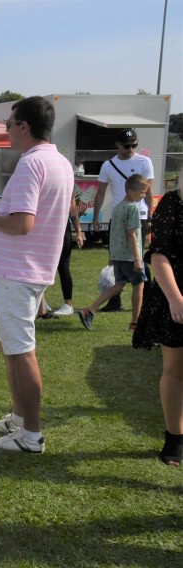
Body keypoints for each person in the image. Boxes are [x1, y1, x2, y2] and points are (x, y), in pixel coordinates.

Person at [0, 96, 73, 453]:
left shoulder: (30, 165)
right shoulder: (58, 162)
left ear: (24, 127)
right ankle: (19, 418)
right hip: (30, 270)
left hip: (18, 272)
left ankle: (31, 434)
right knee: (12, 348)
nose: (6, 130)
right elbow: (30, 215)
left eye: (9, 124)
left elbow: (23, 223)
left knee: (21, 351)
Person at [132, 175, 183, 466]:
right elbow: (159, 254)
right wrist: (175, 298)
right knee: (175, 370)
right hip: (175, 292)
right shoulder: (172, 204)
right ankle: (175, 436)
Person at [93, 128, 155, 312]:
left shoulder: (145, 161)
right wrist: (96, 216)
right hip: (118, 216)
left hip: (139, 215)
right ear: (117, 145)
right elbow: (101, 192)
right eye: (126, 145)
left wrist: (150, 216)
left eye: (134, 145)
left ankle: (148, 298)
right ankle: (115, 301)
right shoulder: (108, 165)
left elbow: (148, 192)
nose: (130, 149)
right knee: (116, 257)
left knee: (138, 257)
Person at [78, 175, 149, 331]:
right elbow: (131, 234)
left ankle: (90, 310)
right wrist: (138, 258)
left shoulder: (118, 207)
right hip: (130, 256)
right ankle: (135, 324)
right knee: (139, 285)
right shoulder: (133, 208)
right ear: (131, 191)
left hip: (118, 254)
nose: (144, 196)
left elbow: (114, 232)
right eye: (142, 192)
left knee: (119, 285)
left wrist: (112, 255)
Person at [48, 188, 86, 316]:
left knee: (63, 266)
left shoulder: (67, 184)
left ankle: (68, 304)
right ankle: (41, 302)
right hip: (46, 226)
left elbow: (73, 210)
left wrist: (79, 232)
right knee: (43, 265)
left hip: (62, 228)